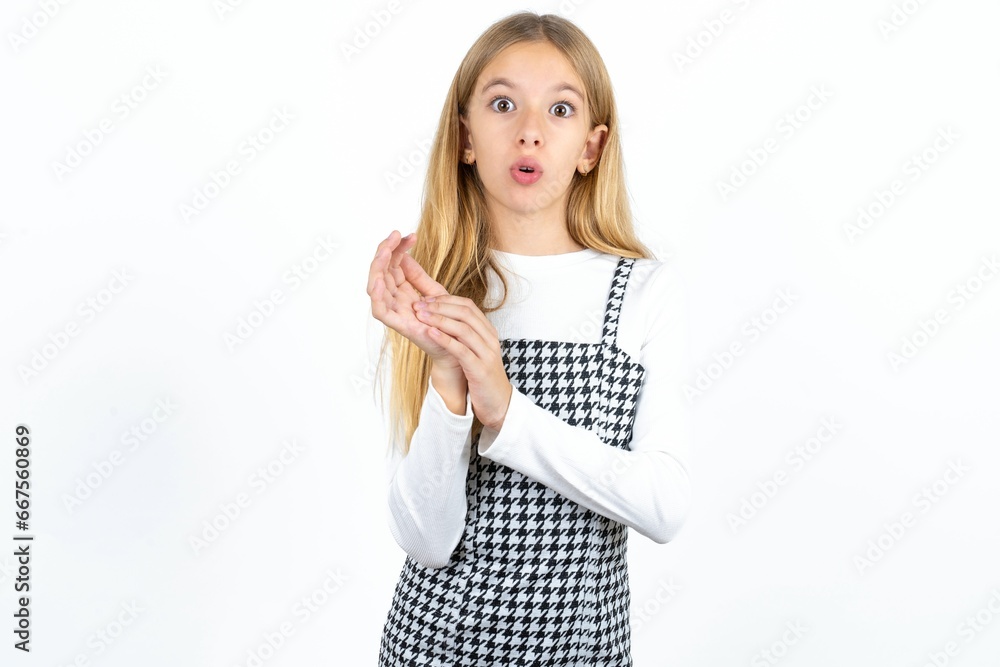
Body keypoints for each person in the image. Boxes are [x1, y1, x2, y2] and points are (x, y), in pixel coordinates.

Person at [366, 10, 692, 665]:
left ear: (592, 149)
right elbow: (426, 539)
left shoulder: (641, 293)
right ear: (465, 136)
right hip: (433, 647)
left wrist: (507, 410)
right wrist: (450, 381)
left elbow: (663, 504)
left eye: (561, 110)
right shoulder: (438, 293)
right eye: (503, 103)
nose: (531, 132)